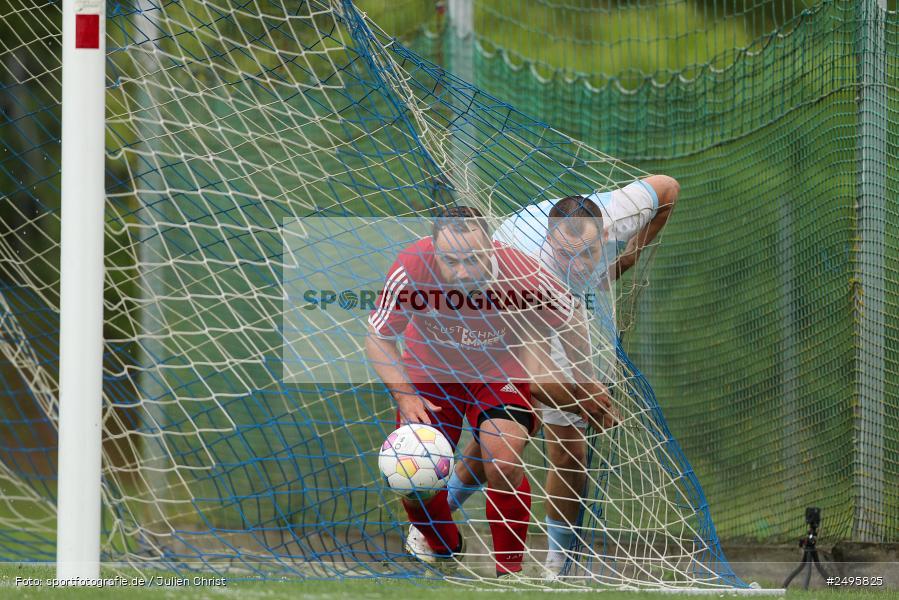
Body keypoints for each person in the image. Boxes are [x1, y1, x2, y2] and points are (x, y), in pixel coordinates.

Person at [404, 175, 679, 577]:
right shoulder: (524, 268)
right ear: (550, 243)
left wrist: (626, 258)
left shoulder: (621, 214)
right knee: (505, 431)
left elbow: (668, 189)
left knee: (571, 449)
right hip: (504, 312)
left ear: (605, 232)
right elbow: (529, 379)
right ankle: (428, 524)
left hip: (570, 308)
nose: (579, 264)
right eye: (567, 255)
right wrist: (582, 394)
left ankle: (557, 568)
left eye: (588, 252)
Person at [365, 206, 616, 578]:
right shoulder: (411, 267)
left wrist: (585, 382)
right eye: (451, 261)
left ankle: (509, 574)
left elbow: (570, 317)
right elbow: (379, 336)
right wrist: (404, 395)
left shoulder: (523, 273)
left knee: (504, 458)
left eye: (474, 259)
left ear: (491, 250)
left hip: (497, 369)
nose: (463, 270)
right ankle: (445, 546)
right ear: (434, 252)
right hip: (431, 372)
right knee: (408, 473)